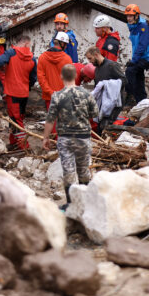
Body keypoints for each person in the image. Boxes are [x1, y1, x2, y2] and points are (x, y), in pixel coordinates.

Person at [43, 64, 99, 210]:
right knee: (83, 171)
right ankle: (85, 204)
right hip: (83, 138)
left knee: (68, 172)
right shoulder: (87, 94)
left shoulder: (57, 95)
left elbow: (50, 119)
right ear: (75, 76)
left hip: (65, 138)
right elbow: (95, 114)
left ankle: (70, 204)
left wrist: (45, 138)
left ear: (61, 77)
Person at [0, 35, 37, 149]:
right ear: (27, 44)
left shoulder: (11, 53)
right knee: (18, 117)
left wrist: (4, 67)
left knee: (16, 120)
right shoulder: (32, 58)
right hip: (24, 93)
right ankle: (13, 142)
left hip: (12, 92)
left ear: (19, 42)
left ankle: (24, 147)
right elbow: (33, 78)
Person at [85, 46, 126, 131]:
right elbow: (98, 87)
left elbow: (124, 80)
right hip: (102, 103)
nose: (90, 61)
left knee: (105, 126)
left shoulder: (112, 65)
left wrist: (108, 84)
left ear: (96, 55)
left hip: (114, 102)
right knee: (99, 125)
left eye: (90, 58)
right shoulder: (97, 69)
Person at [124, 4, 149, 104]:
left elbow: (142, 45)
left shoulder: (143, 27)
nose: (128, 18)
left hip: (145, 58)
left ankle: (130, 96)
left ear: (137, 16)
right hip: (139, 58)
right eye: (127, 16)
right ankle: (142, 101)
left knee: (130, 71)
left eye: (130, 16)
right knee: (138, 79)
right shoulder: (134, 27)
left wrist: (134, 60)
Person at [38, 32, 73, 110]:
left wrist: (50, 92)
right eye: (66, 44)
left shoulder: (42, 57)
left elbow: (41, 78)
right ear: (62, 44)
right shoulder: (67, 59)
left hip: (49, 97)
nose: (66, 46)